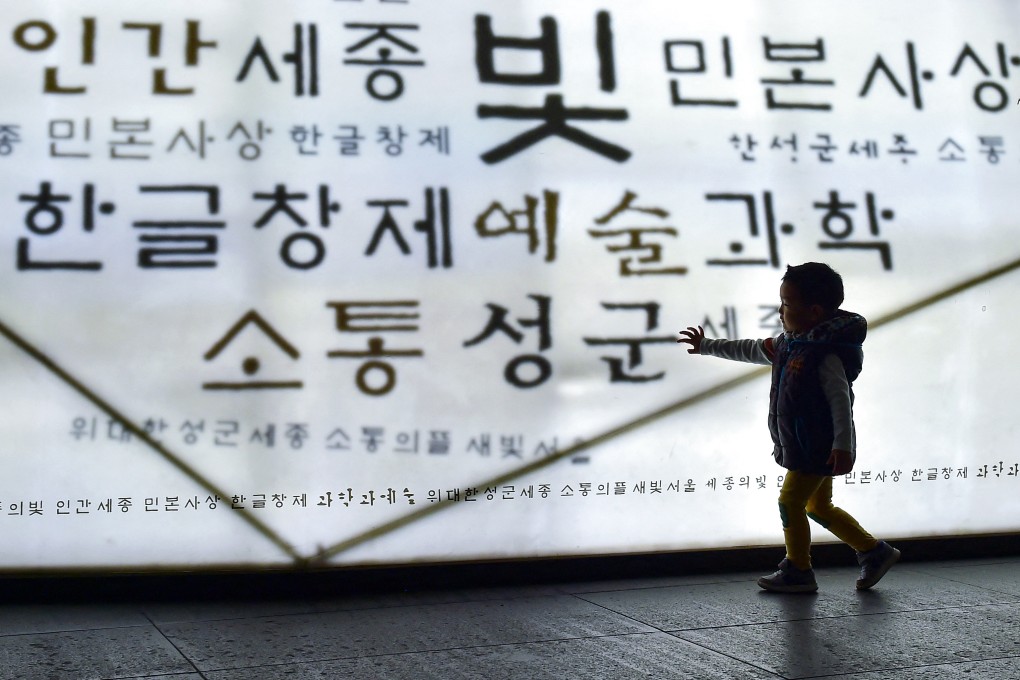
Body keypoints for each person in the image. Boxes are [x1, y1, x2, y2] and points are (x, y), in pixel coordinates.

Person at [677, 262, 899, 593]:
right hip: (805, 442)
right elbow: (750, 349)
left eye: (787, 304)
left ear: (813, 311)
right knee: (817, 506)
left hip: (816, 444)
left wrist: (843, 445)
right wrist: (708, 345)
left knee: (790, 501)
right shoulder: (790, 343)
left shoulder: (824, 354)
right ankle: (873, 551)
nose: (781, 311)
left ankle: (798, 569)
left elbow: (842, 401)